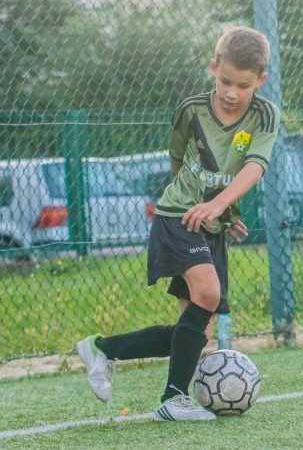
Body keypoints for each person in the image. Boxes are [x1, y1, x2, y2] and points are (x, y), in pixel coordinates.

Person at [77, 26, 279, 421]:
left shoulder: (263, 115)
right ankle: (172, 399)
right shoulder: (191, 109)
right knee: (207, 293)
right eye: (225, 81)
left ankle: (103, 349)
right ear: (213, 67)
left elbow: (253, 165)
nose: (232, 93)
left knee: (195, 334)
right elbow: (180, 163)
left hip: (212, 222)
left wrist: (223, 210)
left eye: (243, 84)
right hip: (178, 216)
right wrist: (204, 204)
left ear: (260, 80)